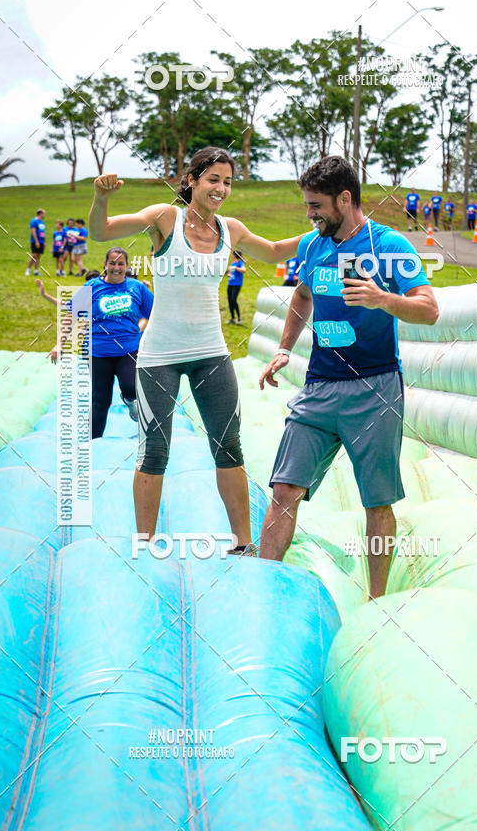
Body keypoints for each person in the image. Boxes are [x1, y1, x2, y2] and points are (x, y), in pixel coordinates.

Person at [88, 146, 304, 555]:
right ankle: (145, 544)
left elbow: (275, 251)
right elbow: (101, 232)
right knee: (155, 449)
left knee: (229, 446)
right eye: (213, 179)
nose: (221, 188)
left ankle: (243, 544)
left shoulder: (231, 229)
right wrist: (101, 200)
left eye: (227, 181)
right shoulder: (165, 218)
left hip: (211, 353)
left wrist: (323, 229)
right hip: (159, 357)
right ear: (191, 181)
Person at [258, 155, 439, 600]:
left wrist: (382, 299)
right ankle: (259, 592)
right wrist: (284, 348)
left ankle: (377, 601)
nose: (309, 214)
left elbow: (429, 310)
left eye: (316, 205)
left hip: (374, 389)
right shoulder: (314, 245)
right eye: (307, 205)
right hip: (318, 386)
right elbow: (301, 295)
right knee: (284, 489)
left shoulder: (389, 245)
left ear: (345, 198)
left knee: (376, 502)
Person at [48, 247, 153, 437]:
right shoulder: (92, 287)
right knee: (100, 401)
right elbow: (71, 316)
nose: (116, 267)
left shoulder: (136, 288)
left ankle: (130, 401)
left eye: (121, 263)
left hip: (128, 350)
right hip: (97, 352)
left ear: (126, 266)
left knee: (130, 387)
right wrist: (60, 343)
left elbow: (156, 314)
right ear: (105, 265)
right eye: (112, 263)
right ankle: (93, 443)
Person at [226, 249, 245, 324]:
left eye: (232, 254)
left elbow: (244, 270)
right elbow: (230, 274)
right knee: (230, 301)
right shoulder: (232, 263)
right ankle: (233, 318)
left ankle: (239, 319)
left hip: (237, 284)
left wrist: (236, 268)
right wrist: (228, 274)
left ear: (234, 255)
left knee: (234, 300)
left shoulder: (240, 263)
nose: (231, 255)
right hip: (230, 283)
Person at [26, 209, 45, 276]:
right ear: (40, 214)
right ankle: (28, 270)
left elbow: (42, 232)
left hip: (41, 241)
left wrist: (44, 242)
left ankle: (36, 271)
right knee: (33, 255)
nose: (44, 215)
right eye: (44, 213)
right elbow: (33, 231)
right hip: (35, 241)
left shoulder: (42, 221)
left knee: (38, 256)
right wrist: (36, 241)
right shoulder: (34, 221)